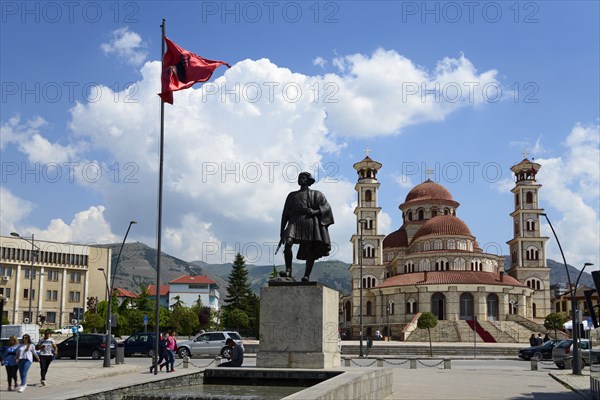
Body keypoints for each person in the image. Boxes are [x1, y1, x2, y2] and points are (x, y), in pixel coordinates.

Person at [279, 172, 334, 282]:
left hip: (308, 221)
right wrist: (282, 230)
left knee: (310, 248)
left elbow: (327, 208)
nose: (301, 179)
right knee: (288, 243)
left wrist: (314, 211)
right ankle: (288, 270)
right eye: (299, 177)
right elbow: (285, 213)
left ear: (308, 180)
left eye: (303, 178)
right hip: (294, 221)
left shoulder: (316, 194)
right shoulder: (291, 195)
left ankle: (306, 275)